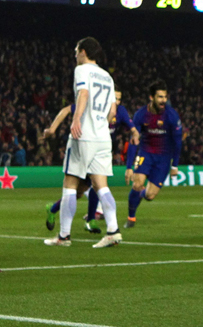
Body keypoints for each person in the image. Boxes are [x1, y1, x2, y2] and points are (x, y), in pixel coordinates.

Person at [45, 37, 122, 248]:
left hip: (84, 135)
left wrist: (77, 118)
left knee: (70, 184)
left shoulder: (81, 70)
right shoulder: (107, 76)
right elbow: (112, 110)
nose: (75, 54)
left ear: (84, 52)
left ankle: (63, 236)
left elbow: (84, 93)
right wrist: (101, 127)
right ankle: (113, 231)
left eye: (76, 50)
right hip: (102, 137)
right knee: (101, 186)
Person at [43, 89, 139, 233]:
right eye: (115, 98)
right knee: (78, 192)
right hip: (82, 148)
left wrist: (135, 132)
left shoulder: (120, 111)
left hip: (100, 151)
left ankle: (90, 220)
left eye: (119, 99)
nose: (117, 102)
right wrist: (52, 129)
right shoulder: (93, 106)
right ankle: (54, 210)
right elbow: (66, 110)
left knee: (92, 186)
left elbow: (132, 128)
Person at [124, 80, 182, 228]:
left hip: (163, 158)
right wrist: (129, 166)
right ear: (151, 97)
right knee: (137, 184)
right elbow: (134, 140)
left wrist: (175, 165)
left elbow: (177, 142)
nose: (163, 100)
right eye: (160, 97)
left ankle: (142, 195)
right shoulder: (141, 115)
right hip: (145, 154)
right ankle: (131, 217)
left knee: (150, 195)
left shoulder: (171, 116)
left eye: (165, 97)